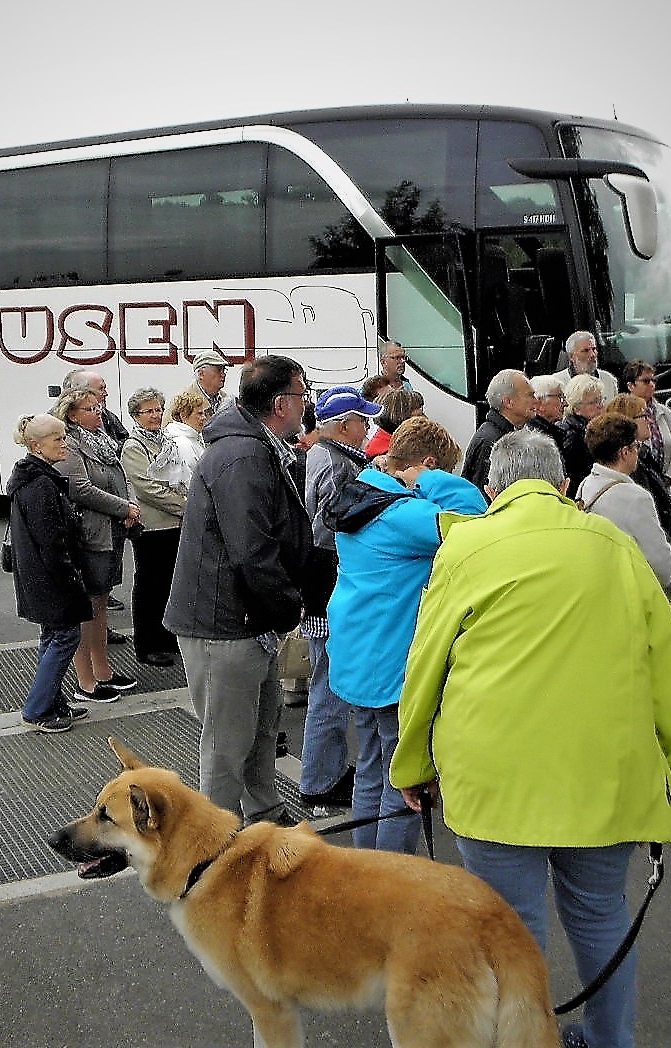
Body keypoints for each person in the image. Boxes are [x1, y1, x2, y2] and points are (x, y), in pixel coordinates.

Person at [391, 428, 671, 1048]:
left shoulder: (468, 545)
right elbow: (666, 658)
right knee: (601, 914)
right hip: (607, 772)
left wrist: (412, 763)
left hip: (494, 776)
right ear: (563, 486)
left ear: (490, 488)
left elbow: (426, 664)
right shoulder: (612, 542)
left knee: (507, 929)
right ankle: (613, 1041)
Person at [163, 355, 318, 823]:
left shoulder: (254, 446)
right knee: (227, 744)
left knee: (261, 728)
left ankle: (263, 813)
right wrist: (289, 606)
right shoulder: (243, 454)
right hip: (224, 624)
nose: (306, 403)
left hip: (245, 620)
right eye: (301, 393)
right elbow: (251, 550)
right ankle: (218, 839)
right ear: (279, 403)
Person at [325, 416, 485, 853]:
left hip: (356, 651)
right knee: (405, 780)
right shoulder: (405, 515)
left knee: (370, 769)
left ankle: (363, 869)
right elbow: (478, 521)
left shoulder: (361, 490)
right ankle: (391, 881)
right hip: (394, 660)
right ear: (428, 464)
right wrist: (433, 479)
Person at [298, 386, 382, 809]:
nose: (366, 428)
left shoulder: (327, 456)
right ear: (345, 426)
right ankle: (319, 780)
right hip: (329, 584)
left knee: (327, 683)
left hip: (323, 584)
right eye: (361, 421)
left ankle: (324, 771)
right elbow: (327, 528)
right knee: (329, 686)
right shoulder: (335, 463)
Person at [5, 414, 92, 732]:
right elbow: (52, 541)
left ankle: (51, 701)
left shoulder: (31, 479)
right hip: (51, 577)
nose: (64, 443)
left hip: (38, 576)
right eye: (58, 439)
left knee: (53, 636)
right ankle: (39, 707)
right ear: (36, 445)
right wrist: (70, 576)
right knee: (66, 636)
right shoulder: (41, 485)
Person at [54, 387, 142, 699]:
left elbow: (122, 475)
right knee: (88, 607)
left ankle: (103, 670)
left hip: (112, 531)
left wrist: (129, 502)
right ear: (72, 414)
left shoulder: (102, 438)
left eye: (98, 406)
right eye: (90, 408)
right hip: (90, 534)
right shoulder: (71, 444)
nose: (98, 412)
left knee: (101, 605)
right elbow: (80, 488)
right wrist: (123, 507)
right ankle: (85, 680)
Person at [120, 388, 186, 669]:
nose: (156, 415)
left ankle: (167, 636)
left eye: (159, 409)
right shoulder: (134, 447)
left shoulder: (166, 440)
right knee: (149, 586)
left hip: (173, 525)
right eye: (149, 411)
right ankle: (147, 644)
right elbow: (147, 488)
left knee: (170, 585)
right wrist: (185, 506)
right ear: (136, 416)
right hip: (151, 527)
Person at [577, 413, 671, 586]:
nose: (638, 449)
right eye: (636, 445)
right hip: (628, 590)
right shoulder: (636, 498)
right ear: (625, 452)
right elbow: (661, 567)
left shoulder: (585, 485)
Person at [606, 394, 671, 567]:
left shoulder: (643, 455)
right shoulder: (631, 465)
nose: (649, 420)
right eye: (643, 415)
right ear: (628, 421)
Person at [461, 369, 538, 492]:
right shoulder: (490, 441)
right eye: (530, 395)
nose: (536, 400)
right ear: (508, 402)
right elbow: (484, 494)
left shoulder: (504, 433)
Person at [622, 360, 671, 491]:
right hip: (638, 485)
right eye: (645, 381)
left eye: (653, 381)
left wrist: (669, 477)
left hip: (664, 486)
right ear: (631, 385)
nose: (651, 385)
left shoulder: (664, 412)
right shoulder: (623, 413)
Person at [558, 374, 606, 489]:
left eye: (601, 400)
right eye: (594, 402)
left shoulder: (594, 429)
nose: (601, 406)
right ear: (576, 408)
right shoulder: (574, 437)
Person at [163, 388, 210, 486]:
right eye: (199, 414)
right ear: (183, 416)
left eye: (204, 413)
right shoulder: (182, 444)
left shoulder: (194, 438)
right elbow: (189, 482)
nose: (204, 418)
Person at [364, 388, 424, 461]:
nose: (424, 420)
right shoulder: (383, 454)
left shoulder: (403, 441)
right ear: (400, 417)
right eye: (417, 416)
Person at [561, 331, 618, 398]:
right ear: (571, 356)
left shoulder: (609, 380)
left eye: (594, 349)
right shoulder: (558, 383)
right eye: (586, 350)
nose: (592, 355)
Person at [187, 349, 234, 419]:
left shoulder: (226, 400)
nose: (223, 374)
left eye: (224, 370)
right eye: (218, 370)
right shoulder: (184, 403)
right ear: (201, 374)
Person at [527, 374, 567, 451]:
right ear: (539, 402)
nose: (565, 403)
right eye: (560, 397)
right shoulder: (535, 439)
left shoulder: (549, 432)